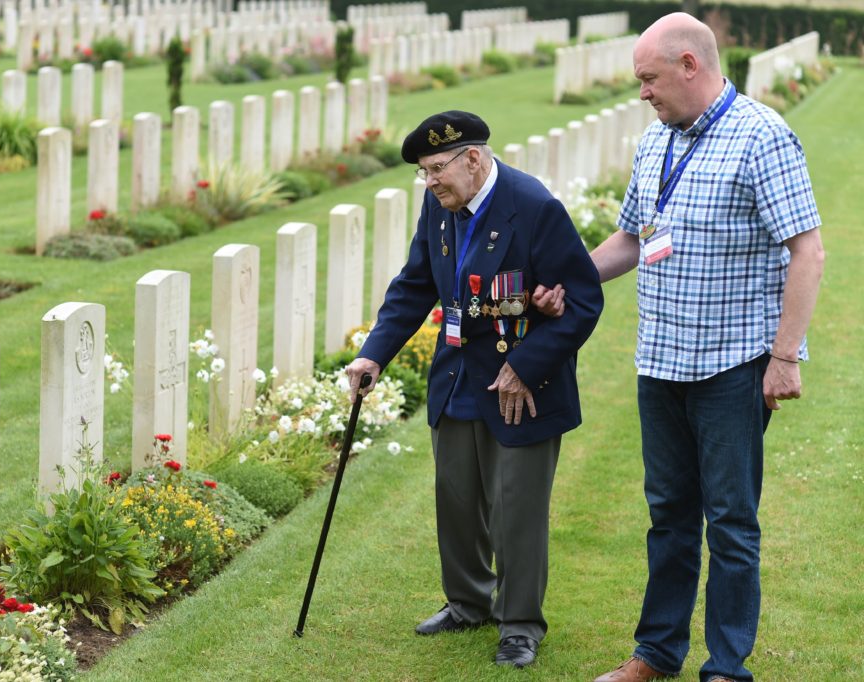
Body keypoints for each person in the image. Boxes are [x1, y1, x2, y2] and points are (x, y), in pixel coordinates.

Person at [569, 13, 825, 682]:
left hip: (731, 365)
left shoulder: (762, 137)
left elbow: (807, 250)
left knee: (731, 522)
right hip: (661, 361)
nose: (643, 93)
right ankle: (655, 655)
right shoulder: (657, 142)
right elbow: (631, 238)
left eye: (650, 79)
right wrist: (564, 277)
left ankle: (727, 666)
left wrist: (784, 355)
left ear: (690, 65)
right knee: (669, 518)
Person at [345, 110, 603, 668]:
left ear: (474, 158)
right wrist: (374, 352)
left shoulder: (533, 207)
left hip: (521, 385)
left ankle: (519, 624)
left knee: (516, 510)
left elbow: (582, 301)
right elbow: (415, 284)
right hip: (458, 375)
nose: (430, 181)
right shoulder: (440, 206)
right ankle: (467, 602)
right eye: (423, 172)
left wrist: (526, 365)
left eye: (437, 169)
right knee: (457, 498)